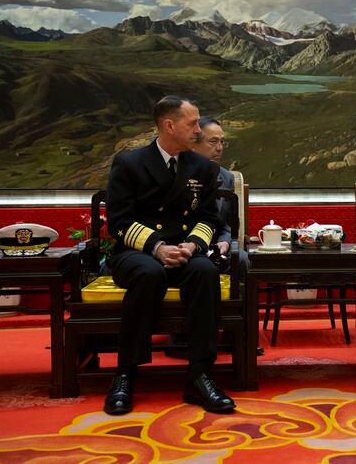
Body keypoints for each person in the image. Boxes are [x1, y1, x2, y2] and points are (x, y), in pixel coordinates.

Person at [103, 95, 235, 415]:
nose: (198, 132)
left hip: (183, 251)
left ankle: (200, 375)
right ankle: (125, 373)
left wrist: (191, 246)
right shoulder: (130, 163)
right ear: (169, 125)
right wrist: (158, 248)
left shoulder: (202, 167)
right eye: (192, 124)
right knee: (150, 273)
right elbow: (119, 223)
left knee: (205, 272)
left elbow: (209, 219)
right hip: (138, 252)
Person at [190, 116, 250, 279]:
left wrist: (225, 242)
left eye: (222, 142)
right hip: (185, 244)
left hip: (216, 246)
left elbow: (227, 224)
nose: (220, 148)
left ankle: (238, 304)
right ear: (193, 145)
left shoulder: (225, 177)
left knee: (242, 258)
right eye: (213, 142)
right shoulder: (180, 174)